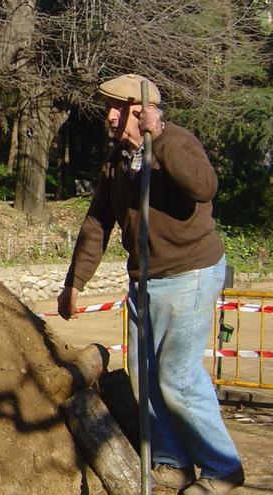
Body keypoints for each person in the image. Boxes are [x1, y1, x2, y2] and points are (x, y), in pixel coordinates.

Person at [57, 74, 244, 494]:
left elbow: (204, 187)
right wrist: (75, 282)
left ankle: (223, 468)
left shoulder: (177, 143)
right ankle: (172, 462)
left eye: (117, 108)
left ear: (141, 112)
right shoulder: (117, 160)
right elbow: (97, 222)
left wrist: (156, 137)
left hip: (188, 273)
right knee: (146, 377)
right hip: (145, 280)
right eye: (107, 107)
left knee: (176, 376)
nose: (108, 115)